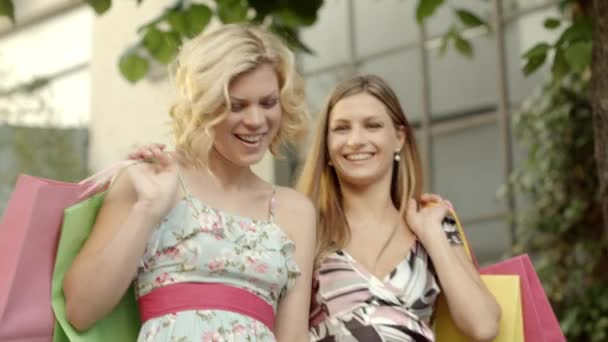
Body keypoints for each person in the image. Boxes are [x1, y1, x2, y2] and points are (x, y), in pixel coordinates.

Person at [62, 24, 316, 342]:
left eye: (267, 103)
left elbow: (293, 337)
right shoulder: (149, 180)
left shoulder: (295, 210)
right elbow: (80, 309)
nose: (255, 121)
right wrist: (147, 210)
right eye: (236, 105)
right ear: (204, 104)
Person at [297, 74, 501, 341]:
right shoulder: (305, 228)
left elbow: (483, 326)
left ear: (399, 137)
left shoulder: (434, 222)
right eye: (341, 128)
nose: (355, 140)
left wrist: (432, 236)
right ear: (326, 143)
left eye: (372, 126)